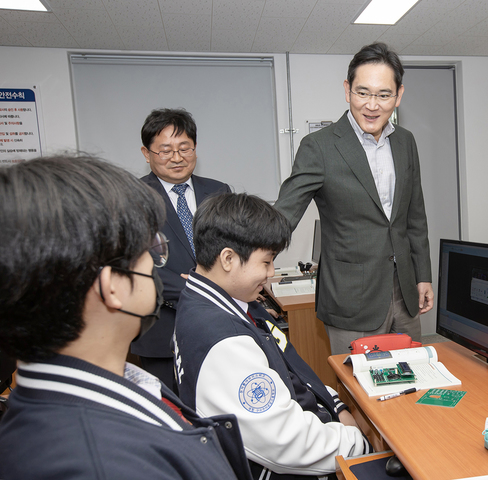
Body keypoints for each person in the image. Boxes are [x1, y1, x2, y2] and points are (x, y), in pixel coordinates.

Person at [0, 155, 252, 480]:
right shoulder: (103, 464)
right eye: (150, 248)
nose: (157, 260)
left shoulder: (65, 402)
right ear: (113, 286)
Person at [174, 193, 371, 479]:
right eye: (266, 262)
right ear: (228, 258)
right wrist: (358, 443)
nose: (271, 273)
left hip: (316, 424)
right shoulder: (223, 340)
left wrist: (334, 404)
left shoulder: (222, 303)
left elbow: (290, 368)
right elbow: (287, 443)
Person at [274, 42, 434, 355]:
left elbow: (414, 216)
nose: (372, 105)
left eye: (383, 95)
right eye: (363, 92)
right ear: (347, 90)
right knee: (358, 390)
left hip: (404, 292)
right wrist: (244, 255)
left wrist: (423, 275)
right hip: (351, 299)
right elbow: (284, 213)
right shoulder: (319, 146)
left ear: (398, 95)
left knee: (413, 381)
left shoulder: (405, 141)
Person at [131, 108, 231, 392]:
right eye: (165, 150)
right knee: (173, 416)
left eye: (184, 148)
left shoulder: (219, 191)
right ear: (146, 153)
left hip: (218, 324)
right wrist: (202, 286)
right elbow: (134, 265)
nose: (177, 157)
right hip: (163, 328)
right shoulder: (133, 200)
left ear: (195, 149)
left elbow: (234, 249)